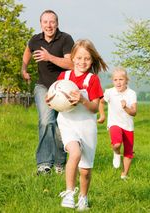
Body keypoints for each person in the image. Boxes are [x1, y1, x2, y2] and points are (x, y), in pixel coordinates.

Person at [50, 39, 108, 210]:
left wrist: (83, 99)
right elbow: (55, 98)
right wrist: (50, 100)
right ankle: (69, 193)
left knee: (85, 170)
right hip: (67, 123)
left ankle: (83, 197)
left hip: (86, 127)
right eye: (79, 57)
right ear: (73, 57)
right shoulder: (64, 77)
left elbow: (94, 108)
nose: (83, 62)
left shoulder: (92, 80)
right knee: (74, 153)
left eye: (87, 59)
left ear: (92, 61)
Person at [21, 10, 74, 175]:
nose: (49, 25)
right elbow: (28, 51)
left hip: (63, 89)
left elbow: (71, 64)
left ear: (57, 23)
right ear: (41, 24)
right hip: (43, 86)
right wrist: (23, 69)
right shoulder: (35, 39)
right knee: (46, 121)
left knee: (60, 126)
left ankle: (59, 163)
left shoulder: (65, 38)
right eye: (45, 22)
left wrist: (49, 57)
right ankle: (44, 164)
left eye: (52, 22)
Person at [98, 67, 137, 180]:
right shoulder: (109, 92)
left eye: (121, 79)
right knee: (117, 144)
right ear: (112, 81)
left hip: (128, 126)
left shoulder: (131, 93)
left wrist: (126, 108)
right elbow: (101, 102)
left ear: (126, 80)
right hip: (114, 123)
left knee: (129, 152)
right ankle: (116, 153)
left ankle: (124, 175)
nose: (118, 82)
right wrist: (102, 115)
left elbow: (134, 112)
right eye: (115, 80)